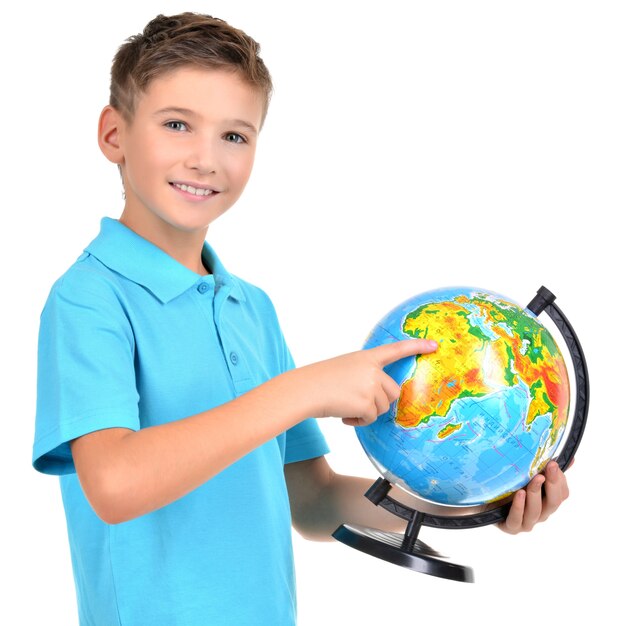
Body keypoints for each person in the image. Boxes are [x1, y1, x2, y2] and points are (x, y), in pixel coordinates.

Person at [33, 12, 570, 625]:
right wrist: (300, 391)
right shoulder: (88, 298)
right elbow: (115, 485)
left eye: (235, 135)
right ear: (114, 135)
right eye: (177, 124)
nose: (206, 159)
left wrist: (463, 507)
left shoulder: (250, 308)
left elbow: (311, 500)